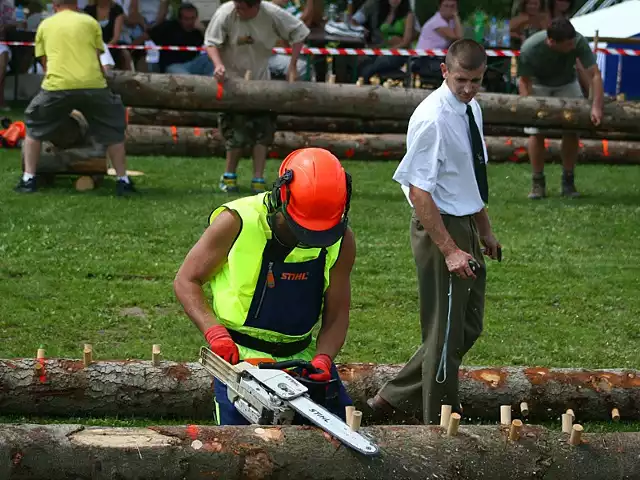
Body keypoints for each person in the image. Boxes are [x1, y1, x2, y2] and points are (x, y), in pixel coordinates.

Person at [366, 39, 502, 426]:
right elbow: (418, 190)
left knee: (468, 326)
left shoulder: (470, 109)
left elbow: (470, 175)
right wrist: (449, 249)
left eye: (476, 80)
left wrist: (485, 231)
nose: (469, 88)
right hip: (439, 228)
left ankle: (392, 398)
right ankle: (440, 425)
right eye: (461, 79)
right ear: (444, 71)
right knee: (444, 336)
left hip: (465, 225)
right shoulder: (433, 118)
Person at [174, 147, 356, 425]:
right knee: (245, 450)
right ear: (281, 196)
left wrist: (323, 358)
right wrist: (215, 333)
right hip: (240, 356)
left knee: (340, 437)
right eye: (304, 230)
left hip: (303, 360)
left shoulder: (341, 240)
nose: (310, 240)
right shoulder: (237, 222)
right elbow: (187, 280)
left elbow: (338, 311)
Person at [13, 0, 136, 195]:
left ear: (55, 5)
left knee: (33, 126)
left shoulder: (45, 25)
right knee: (114, 131)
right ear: (76, 4)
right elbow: (97, 58)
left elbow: (45, 64)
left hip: (57, 85)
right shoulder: (90, 22)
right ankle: (123, 180)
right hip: (93, 84)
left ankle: (29, 179)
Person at [204, 0, 309, 194]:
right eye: (236, 5)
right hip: (232, 81)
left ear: (255, 6)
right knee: (235, 131)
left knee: (263, 130)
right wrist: (218, 65)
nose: (238, 9)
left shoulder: (271, 13)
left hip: (262, 81)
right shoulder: (226, 13)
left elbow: (299, 32)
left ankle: (258, 179)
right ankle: (229, 177)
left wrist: (292, 66)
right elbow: (211, 42)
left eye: (242, 7)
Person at [518, 18, 603, 199]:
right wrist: (529, 108)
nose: (572, 46)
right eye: (567, 44)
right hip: (539, 85)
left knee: (572, 130)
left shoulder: (578, 41)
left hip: (567, 83)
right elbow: (524, 81)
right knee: (536, 132)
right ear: (551, 42)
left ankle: (568, 182)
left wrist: (596, 106)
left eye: (573, 42)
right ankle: (537, 183)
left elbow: (595, 74)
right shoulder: (529, 49)